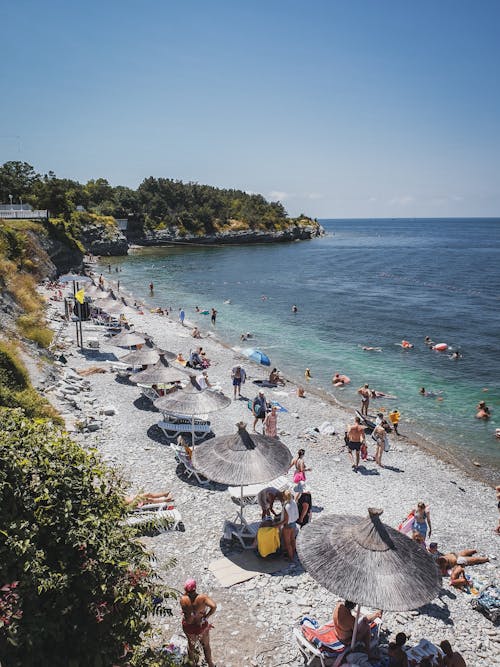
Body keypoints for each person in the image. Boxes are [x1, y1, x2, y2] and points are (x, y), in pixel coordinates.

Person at [180, 579, 216, 667]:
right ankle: (210, 664)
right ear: (195, 588)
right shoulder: (202, 598)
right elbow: (214, 606)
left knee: (191, 646)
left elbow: (186, 611)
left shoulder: (183, 599)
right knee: (206, 645)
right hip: (200, 626)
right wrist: (206, 616)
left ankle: (192, 665)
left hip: (188, 626)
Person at [277, 489, 299, 561]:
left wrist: (277, 525)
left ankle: (291, 558)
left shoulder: (287, 506)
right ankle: (294, 553)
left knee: (287, 543)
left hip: (287, 526)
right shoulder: (293, 502)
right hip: (293, 524)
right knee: (293, 540)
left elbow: (285, 520)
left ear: (284, 497)